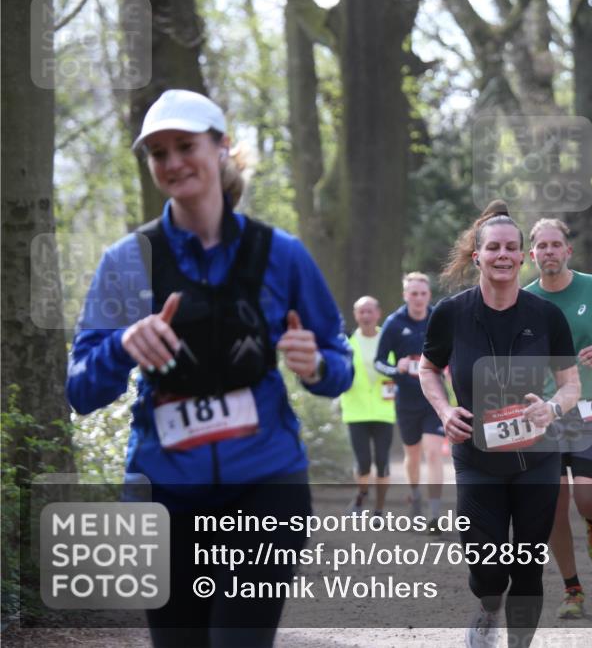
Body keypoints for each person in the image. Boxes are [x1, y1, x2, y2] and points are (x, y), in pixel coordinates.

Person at [66, 89, 354, 647]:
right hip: (164, 494)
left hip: (266, 483)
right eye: (158, 153)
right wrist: (123, 344)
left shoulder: (282, 253)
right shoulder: (127, 261)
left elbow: (338, 361)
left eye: (185, 146)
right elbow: (80, 390)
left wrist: (316, 364)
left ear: (220, 147)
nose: (172, 163)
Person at [420, 202, 581, 648]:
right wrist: (444, 411)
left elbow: (571, 386)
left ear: (524, 256)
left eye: (512, 247)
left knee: (528, 563)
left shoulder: (546, 316)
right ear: (478, 256)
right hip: (476, 457)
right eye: (494, 248)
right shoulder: (451, 314)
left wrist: (551, 407)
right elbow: (427, 369)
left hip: (537, 458)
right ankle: (489, 609)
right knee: (487, 569)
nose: (503, 255)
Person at [524, 218, 592, 620]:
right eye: (542, 246)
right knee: (552, 506)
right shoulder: (524, 299)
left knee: (587, 498)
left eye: (556, 245)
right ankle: (572, 589)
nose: (549, 251)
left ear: (567, 250)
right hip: (547, 414)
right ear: (532, 255)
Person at [375, 272, 447, 531]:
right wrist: (398, 368)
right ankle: (415, 496)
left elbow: (455, 348)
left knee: (433, 452)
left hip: (435, 397)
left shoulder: (439, 318)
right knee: (413, 456)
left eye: (423, 294)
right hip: (406, 400)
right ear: (405, 295)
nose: (418, 298)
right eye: (413, 294)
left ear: (429, 295)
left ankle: (435, 514)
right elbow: (379, 361)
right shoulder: (394, 323)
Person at [341, 296, 395, 515]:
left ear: (378, 313)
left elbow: (399, 368)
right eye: (361, 311)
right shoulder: (346, 343)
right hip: (356, 410)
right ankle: (361, 495)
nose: (366, 315)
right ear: (356, 315)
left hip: (384, 410)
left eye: (369, 311)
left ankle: (379, 510)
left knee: (382, 462)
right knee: (363, 463)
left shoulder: (389, 339)